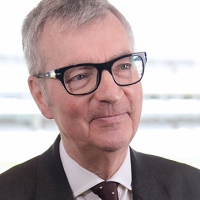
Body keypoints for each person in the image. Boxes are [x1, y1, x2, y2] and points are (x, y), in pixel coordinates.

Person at [0, 0, 200, 199]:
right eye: (80, 76)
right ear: (41, 96)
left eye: (123, 66)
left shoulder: (193, 188)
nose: (111, 94)